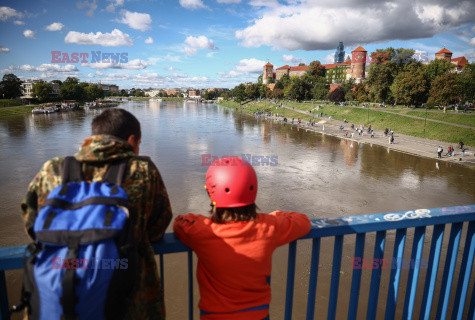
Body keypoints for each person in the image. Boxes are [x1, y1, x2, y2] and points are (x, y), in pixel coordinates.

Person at [20, 108, 173, 319]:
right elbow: (158, 226)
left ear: (92, 137)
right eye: (139, 143)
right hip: (131, 299)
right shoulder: (143, 170)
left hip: (60, 293)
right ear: (131, 140)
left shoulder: (52, 169)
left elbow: (32, 225)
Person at [174, 157, 311, 320]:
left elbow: (179, 222)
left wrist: (202, 220)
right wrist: (275, 215)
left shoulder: (202, 231)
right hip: (258, 314)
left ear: (211, 192)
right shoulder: (268, 226)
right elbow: (303, 222)